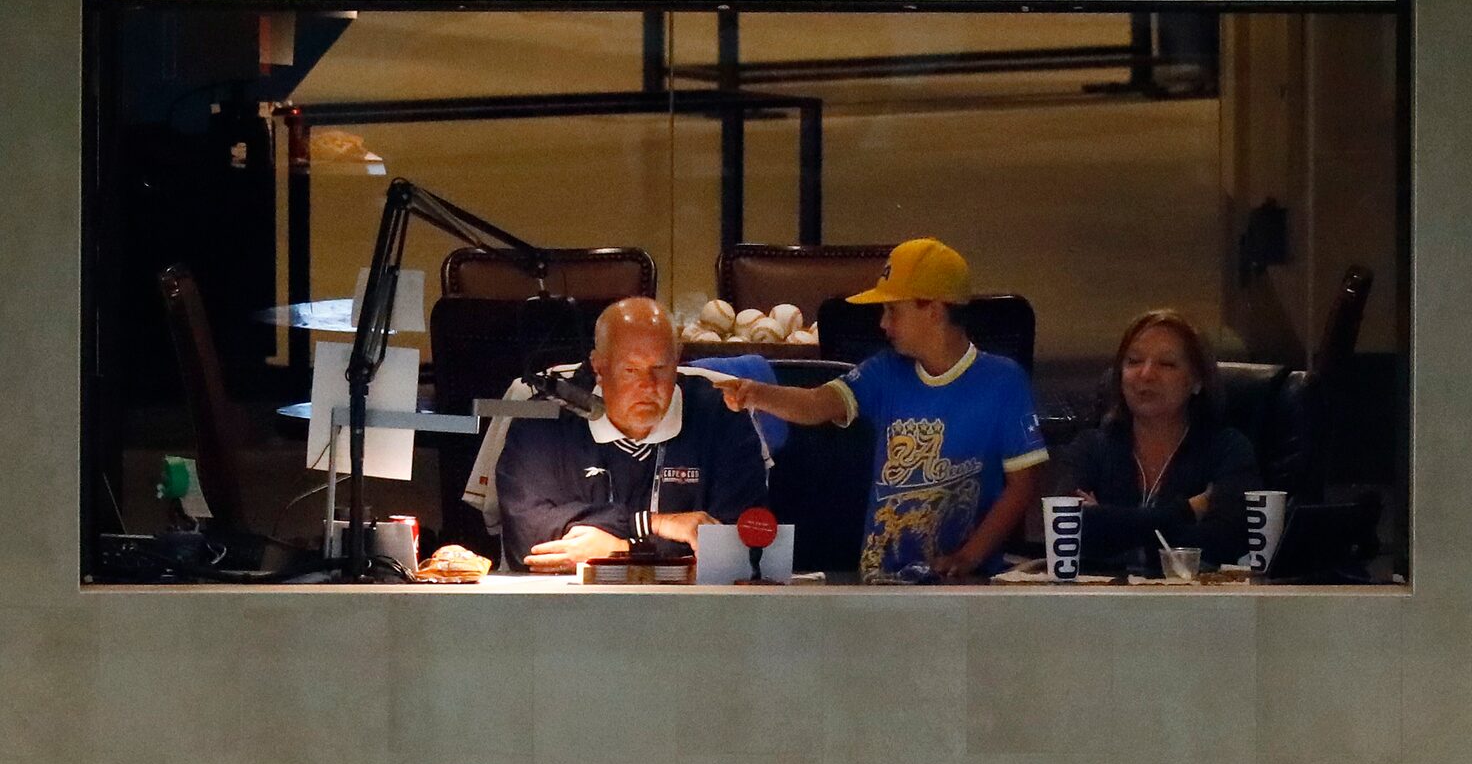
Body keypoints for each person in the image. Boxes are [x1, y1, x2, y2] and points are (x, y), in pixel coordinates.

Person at [719, 238, 1048, 578]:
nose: (882, 324)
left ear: (934, 311)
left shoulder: (1004, 382)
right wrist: (755, 393)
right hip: (880, 583)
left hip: (964, 589)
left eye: (893, 310)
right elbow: (818, 403)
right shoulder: (885, 371)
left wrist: (967, 558)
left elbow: (1023, 486)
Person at [495, 296, 769, 572]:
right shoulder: (542, 420)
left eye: (660, 368)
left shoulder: (723, 415)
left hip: (689, 610)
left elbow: (743, 543)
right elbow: (526, 539)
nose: (648, 385)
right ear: (598, 367)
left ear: (677, 360)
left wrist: (621, 550)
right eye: (631, 370)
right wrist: (655, 524)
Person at [1054, 308, 1261, 573]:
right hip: (1100, 607)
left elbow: (1223, 542)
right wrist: (1186, 511)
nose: (1146, 374)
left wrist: (1110, 523)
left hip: (1197, 607)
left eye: (1167, 364)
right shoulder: (1091, 447)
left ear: (1196, 381)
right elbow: (1070, 532)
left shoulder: (1227, 450)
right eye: (1134, 361)